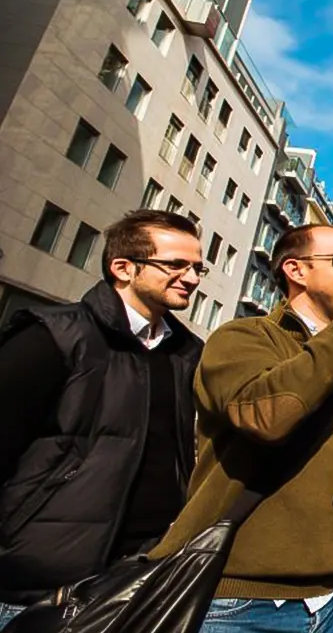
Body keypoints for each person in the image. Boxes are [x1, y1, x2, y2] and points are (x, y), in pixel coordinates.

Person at [148, 224, 333, 632]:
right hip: (238, 599)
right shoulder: (241, 338)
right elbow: (267, 418)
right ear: (296, 270)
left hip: (327, 594)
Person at [0, 211, 206, 626]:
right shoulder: (54, 334)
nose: (192, 277)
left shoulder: (188, 353)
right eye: (176, 265)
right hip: (33, 589)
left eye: (198, 267)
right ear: (123, 268)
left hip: (135, 583)